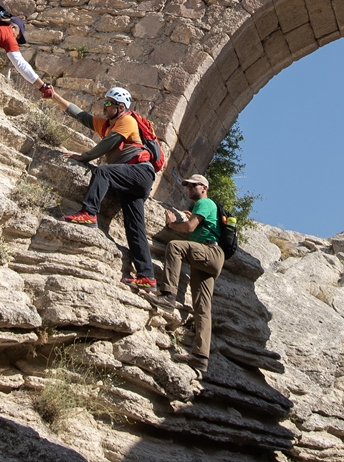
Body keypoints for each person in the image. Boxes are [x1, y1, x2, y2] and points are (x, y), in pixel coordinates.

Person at [53, 86, 158, 291]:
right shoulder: (107, 124)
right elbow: (80, 115)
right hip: (132, 180)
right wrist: (54, 96)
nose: (104, 105)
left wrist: (83, 157)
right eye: (105, 101)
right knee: (135, 227)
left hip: (140, 173)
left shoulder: (126, 121)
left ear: (120, 107)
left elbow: (107, 145)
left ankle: (89, 213)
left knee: (103, 171)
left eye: (109, 103)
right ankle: (147, 277)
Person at [149, 173, 224, 374]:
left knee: (175, 247)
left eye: (194, 186)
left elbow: (189, 227)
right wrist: (192, 218)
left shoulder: (205, 203)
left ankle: (167, 295)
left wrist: (172, 224)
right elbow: (197, 227)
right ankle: (201, 357)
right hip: (210, 257)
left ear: (204, 187)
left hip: (210, 252)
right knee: (203, 306)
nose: (190, 189)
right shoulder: (204, 208)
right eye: (188, 186)